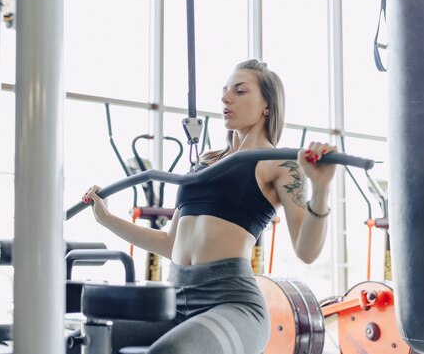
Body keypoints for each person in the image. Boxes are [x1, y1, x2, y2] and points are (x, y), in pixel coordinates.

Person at [82, 59, 337, 354]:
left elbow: (306, 251)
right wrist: (106, 218)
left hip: (232, 303)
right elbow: (169, 242)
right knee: (88, 340)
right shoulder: (205, 161)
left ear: (267, 105)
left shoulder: (279, 162)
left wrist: (321, 189)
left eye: (240, 91)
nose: (226, 98)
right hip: (176, 299)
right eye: (225, 91)